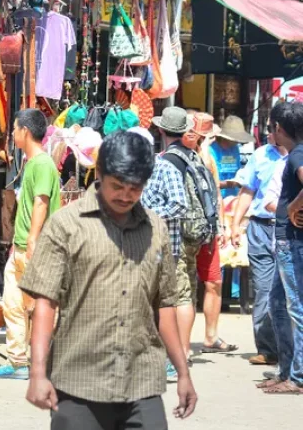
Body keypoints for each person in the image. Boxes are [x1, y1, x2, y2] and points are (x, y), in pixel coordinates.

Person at [23, 131, 196, 428]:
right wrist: (38, 374)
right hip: (78, 382)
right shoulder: (66, 225)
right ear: (100, 173)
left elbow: (164, 306)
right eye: (118, 186)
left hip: (141, 382)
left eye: (135, 188)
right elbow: (45, 303)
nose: (126, 196)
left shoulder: (156, 230)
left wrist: (183, 374)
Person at [0, 108, 61, 380]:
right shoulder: (33, 163)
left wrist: (32, 239)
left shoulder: (41, 164)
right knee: (14, 304)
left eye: (15, 129)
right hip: (20, 247)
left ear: (25, 132)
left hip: (34, 247)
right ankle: (18, 362)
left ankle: (43, 364)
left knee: (37, 307)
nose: (13, 134)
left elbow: (41, 202)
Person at [230, 106, 287, 367]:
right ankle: (267, 348)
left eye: (272, 128)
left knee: (290, 291)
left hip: (290, 229)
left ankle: (291, 350)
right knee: (263, 289)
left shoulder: (298, 156)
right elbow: (247, 191)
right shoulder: (260, 156)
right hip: (261, 228)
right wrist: (235, 225)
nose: (269, 133)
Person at [141, 106, 190, 381]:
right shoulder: (141, 172)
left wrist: (149, 216)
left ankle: (170, 361)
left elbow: (179, 205)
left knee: (163, 307)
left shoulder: (166, 168)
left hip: (165, 251)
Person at [263, 100, 303, 394]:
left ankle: (298, 378)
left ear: (278, 128)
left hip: (291, 241)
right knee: (277, 305)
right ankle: (287, 369)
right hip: (284, 241)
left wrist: (293, 205)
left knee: (296, 308)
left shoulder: (296, 156)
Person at [188, 114, 238, 355]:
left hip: (207, 228)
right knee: (184, 286)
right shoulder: (177, 156)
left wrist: (221, 226)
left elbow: (216, 193)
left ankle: (211, 336)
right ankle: (182, 343)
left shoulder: (209, 159)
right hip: (185, 229)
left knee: (214, 281)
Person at [210, 115, 252, 198]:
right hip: (216, 198)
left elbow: (237, 171)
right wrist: (228, 184)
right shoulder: (211, 149)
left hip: (232, 197)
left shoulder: (235, 148)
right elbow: (209, 182)